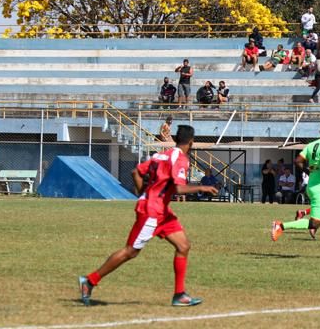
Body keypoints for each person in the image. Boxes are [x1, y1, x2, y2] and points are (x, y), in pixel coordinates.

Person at [77, 124, 218, 307]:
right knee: (130, 251)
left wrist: (143, 192)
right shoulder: (180, 159)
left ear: (175, 138)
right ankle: (89, 281)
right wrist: (202, 187)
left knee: (183, 245)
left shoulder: (161, 155)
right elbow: (178, 188)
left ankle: (179, 295)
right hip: (152, 211)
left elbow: (136, 171)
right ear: (191, 142)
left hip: (161, 210)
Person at [271, 121, 320, 260]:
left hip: (312, 185)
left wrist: (309, 171)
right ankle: (280, 226)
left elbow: (297, 161)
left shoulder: (311, 145)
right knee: (314, 223)